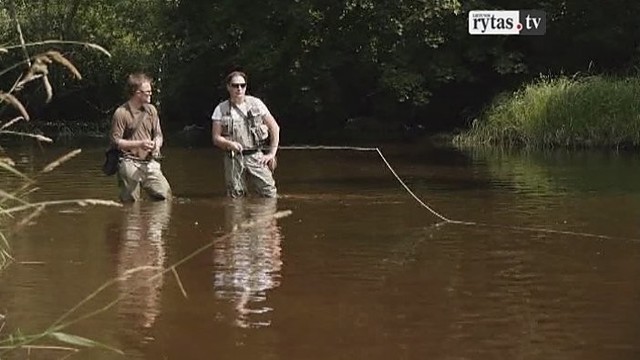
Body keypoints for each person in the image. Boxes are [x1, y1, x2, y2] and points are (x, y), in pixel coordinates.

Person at [211, 71, 280, 198]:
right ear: (228, 87)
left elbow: (274, 127)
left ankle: (268, 217)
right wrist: (229, 143)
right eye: (235, 85)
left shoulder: (257, 104)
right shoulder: (220, 109)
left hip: (256, 156)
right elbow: (216, 138)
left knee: (269, 192)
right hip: (233, 158)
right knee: (235, 196)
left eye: (242, 85)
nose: (239, 89)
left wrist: (271, 154)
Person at [110, 72, 171, 202]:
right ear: (137, 93)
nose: (151, 94)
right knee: (130, 204)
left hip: (149, 163)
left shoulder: (151, 110)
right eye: (147, 92)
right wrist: (139, 144)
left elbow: (158, 134)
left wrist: (157, 145)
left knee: (165, 196)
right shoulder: (121, 113)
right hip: (129, 162)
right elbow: (115, 141)